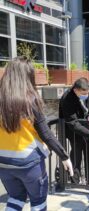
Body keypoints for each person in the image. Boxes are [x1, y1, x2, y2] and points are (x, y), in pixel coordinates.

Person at [0, 57, 73, 211]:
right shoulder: (30, 100)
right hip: (29, 163)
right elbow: (46, 133)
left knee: (15, 199)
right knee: (38, 202)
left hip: (4, 163)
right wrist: (64, 156)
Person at [59, 77, 89, 185]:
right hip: (73, 130)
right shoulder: (67, 98)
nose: (86, 94)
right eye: (83, 93)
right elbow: (72, 122)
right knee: (76, 153)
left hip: (87, 126)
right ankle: (75, 180)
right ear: (75, 90)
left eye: (87, 92)